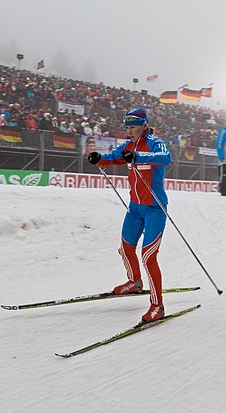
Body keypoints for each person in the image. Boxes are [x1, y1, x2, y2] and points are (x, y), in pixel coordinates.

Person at [88, 108, 171, 323]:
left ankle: (157, 305)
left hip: (154, 208)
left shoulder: (154, 142)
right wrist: (99, 158)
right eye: (127, 126)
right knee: (125, 248)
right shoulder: (128, 145)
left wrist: (138, 155)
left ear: (144, 125)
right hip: (135, 208)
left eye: (133, 126)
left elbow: (165, 157)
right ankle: (134, 282)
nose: (129, 130)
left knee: (148, 256)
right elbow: (112, 158)